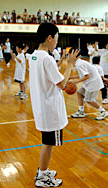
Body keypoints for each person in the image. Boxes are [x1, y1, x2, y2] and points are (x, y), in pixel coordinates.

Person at [28, 23, 79, 187]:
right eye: (56, 39)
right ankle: (42, 175)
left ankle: (43, 170)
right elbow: (63, 83)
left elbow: (48, 75)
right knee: (48, 143)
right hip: (50, 108)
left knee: (47, 141)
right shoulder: (47, 58)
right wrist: (70, 64)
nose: (56, 43)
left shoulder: (34, 56)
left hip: (41, 106)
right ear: (49, 38)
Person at [69, 47, 108, 120]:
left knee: (89, 100)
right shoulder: (79, 62)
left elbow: (87, 76)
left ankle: (103, 111)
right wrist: (71, 78)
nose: (68, 56)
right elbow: (83, 75)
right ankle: (81, 111)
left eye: (69, 54)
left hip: (93, 83)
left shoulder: (79, 64)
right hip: (90, 82)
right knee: (79, 93)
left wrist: (75, 82)